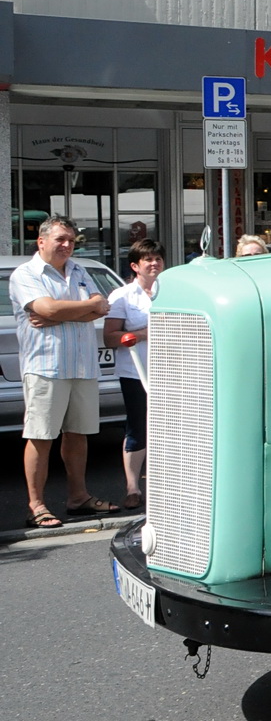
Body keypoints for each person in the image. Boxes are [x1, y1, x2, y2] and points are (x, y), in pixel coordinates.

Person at [12, 216, 117, 528]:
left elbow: (102, 305)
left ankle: (78, 497)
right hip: (46, 366)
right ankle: (36, 505)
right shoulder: (25, 274)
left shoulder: (79, 269)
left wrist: (63, 313)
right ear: (41, 241)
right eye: (60, 239)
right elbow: (47, 309)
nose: (67, 245)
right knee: (40, 436)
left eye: (71, 239)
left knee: (78, 434)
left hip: (82, 365)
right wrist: (82, 309)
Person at [103, 238, 164, 510]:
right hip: (136, 372)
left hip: (173, 370)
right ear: (135, 266)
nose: (154, 263)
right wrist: (141, 335)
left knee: (172, 428)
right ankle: (132, 488)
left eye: (158, 259)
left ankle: (168, 485)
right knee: (138, 427)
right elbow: (110, 337)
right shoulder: (122, 296)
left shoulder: (175, 291)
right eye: (148, 259)